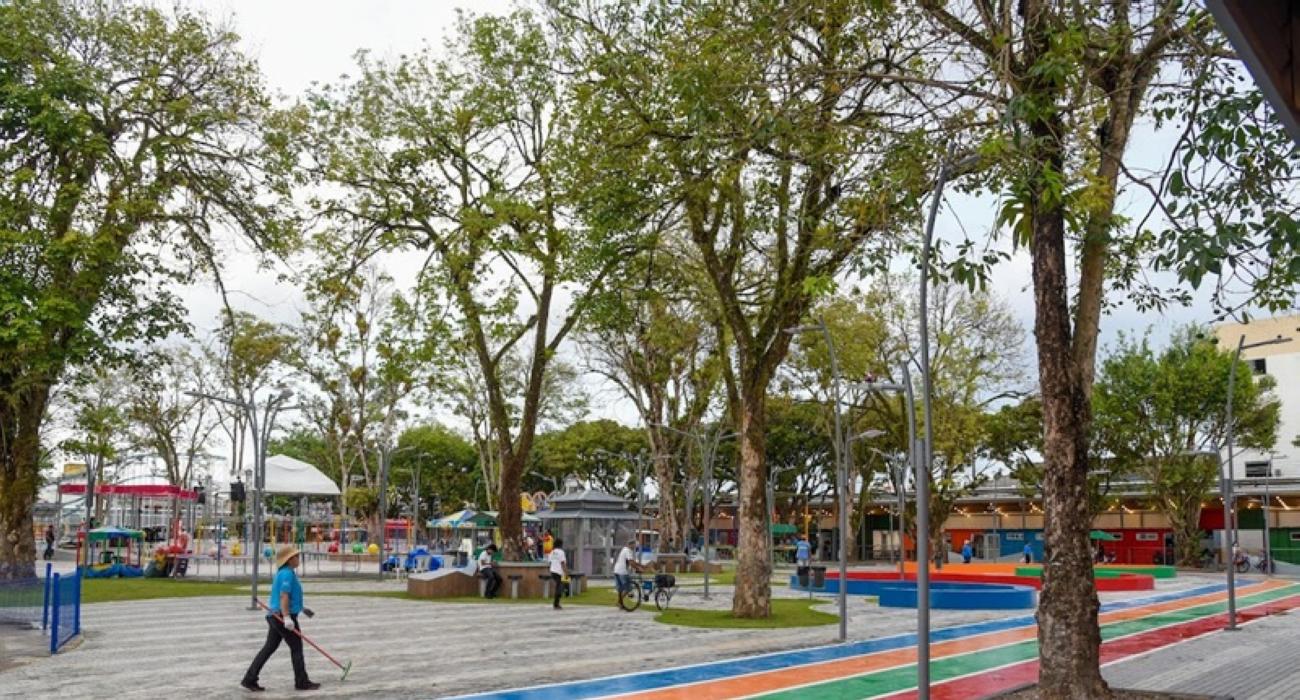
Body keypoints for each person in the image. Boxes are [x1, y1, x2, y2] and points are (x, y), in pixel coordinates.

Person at [242, 545, 318, 692]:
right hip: (281, 616)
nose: (298, 559)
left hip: (276, 616)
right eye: (296, 556)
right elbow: (284, 596)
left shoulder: (285, 573)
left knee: (269, 648)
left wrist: (302, 608)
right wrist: (287, 617)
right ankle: (302, 682)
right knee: (296, 648)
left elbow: (288, 596)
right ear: (289, 560)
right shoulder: (287, 574)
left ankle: (249, 679)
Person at [613, 538, 643, 609]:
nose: (635, 547)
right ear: (631, 545)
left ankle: (620, 604)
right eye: (634, 545)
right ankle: (619, 602)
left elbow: (632, 562)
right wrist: (638, 568)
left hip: (616, 570)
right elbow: (631, 562)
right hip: (622, 572)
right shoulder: (628, 551)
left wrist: (640, 565)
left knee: (620, 589)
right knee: (628, 588)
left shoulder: (624, 549)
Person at [548, 537, 568, 610]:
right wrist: (566, 572)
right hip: (559, 572)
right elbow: (563, 563)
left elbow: (550, 562)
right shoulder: (561, 552)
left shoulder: (552, 552)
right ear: (560, 544)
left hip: (552, 571)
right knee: (559, 587)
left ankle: (557, 603)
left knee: (559, 586)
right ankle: (556, 604)